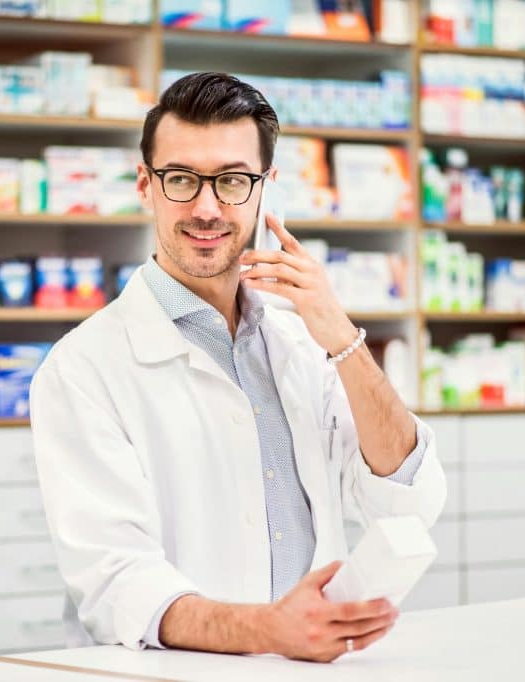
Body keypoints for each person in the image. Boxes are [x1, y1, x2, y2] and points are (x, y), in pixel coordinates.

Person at [30, 72, 447, 663]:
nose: (206, 208)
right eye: (181, 179)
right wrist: (267, 630)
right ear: (146, 186)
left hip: (304, 669)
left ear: (265, 187)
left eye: (231, 181)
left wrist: (343, 337)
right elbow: (114, 583)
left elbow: (408, 502)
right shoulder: (83, 368)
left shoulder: (303, 342)